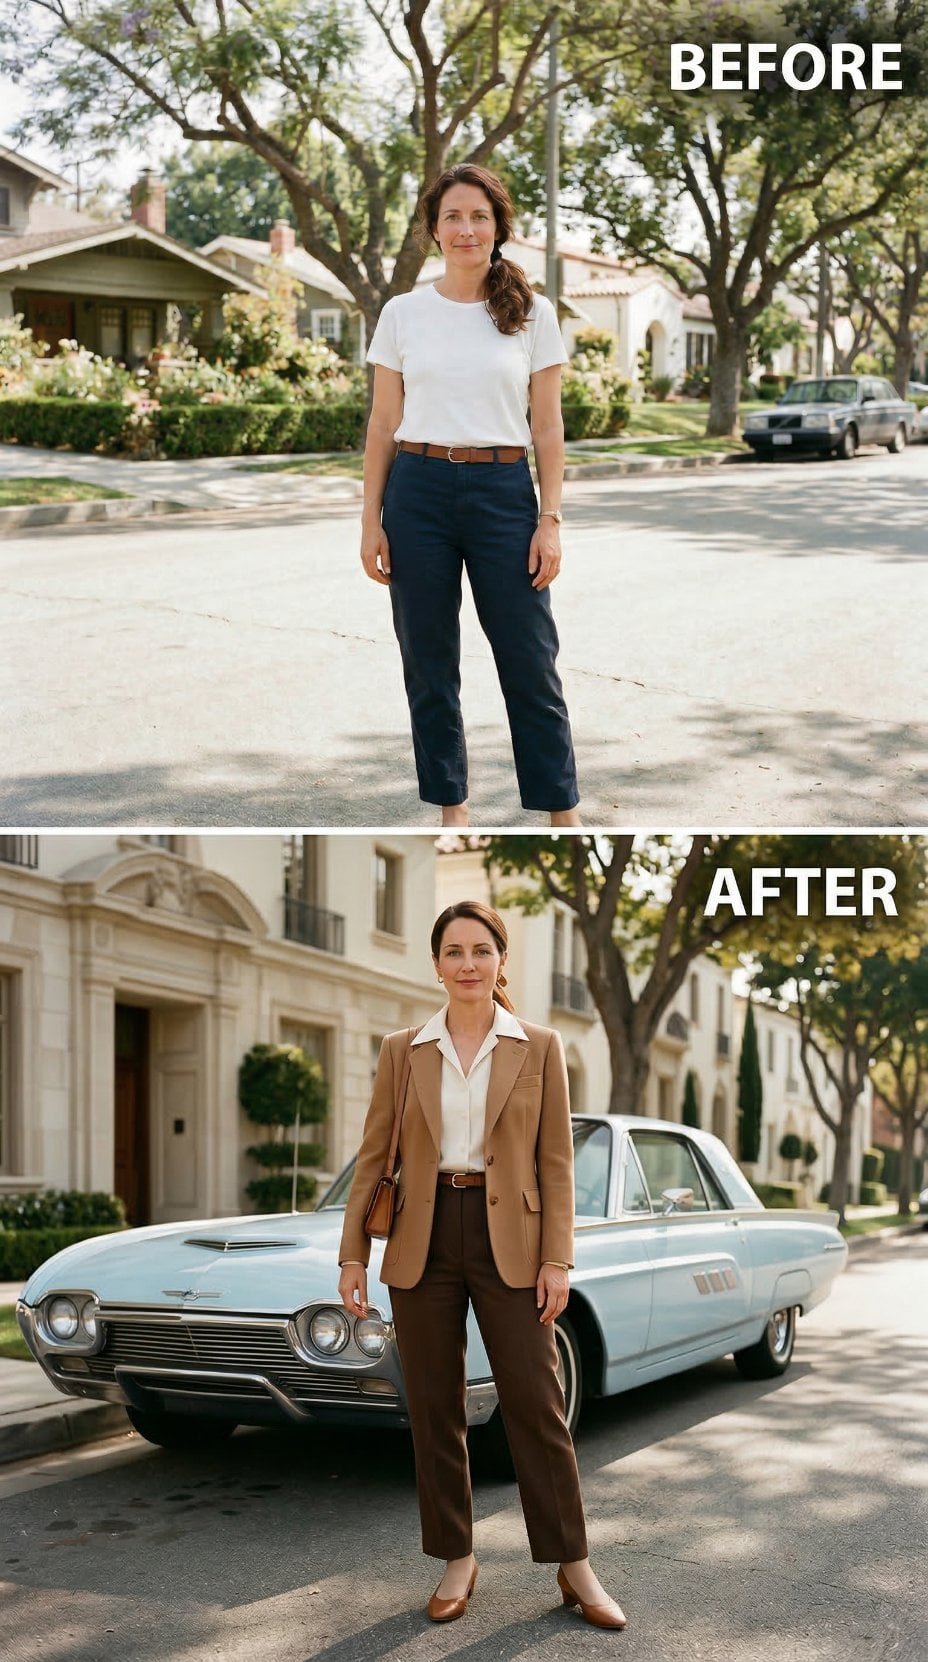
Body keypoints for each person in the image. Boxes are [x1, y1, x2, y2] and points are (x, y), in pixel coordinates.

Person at [337, 900, 626, 1630]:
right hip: (420, 1237)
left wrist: (558, 1257)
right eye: (454, 951)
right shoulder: (404, 1048)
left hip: (514, 1242)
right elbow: (375, 1156)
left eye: (481, 950)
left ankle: (573, 1563)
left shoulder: (539, 1044)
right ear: (436, 963)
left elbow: (556, 1164)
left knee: (536, 1402)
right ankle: (456, 1558)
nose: (468, 963)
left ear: (502, 961)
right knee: (434, 1406)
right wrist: (352, 1255)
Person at [360, 163, 582, 829]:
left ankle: (559, 809)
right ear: (433, 230)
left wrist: (550, 520)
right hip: (419, 492)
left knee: (530, 658)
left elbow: (547, 425)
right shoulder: (403, 313)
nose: (465, 228)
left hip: (502, 490)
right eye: (453, 216)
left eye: (479, 216)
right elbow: (381, 424)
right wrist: (370, 520)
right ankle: (452, 807)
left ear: (498, 228)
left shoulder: (532, 314)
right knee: (429, 661)